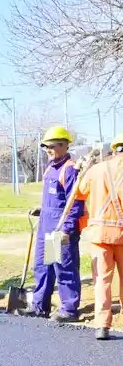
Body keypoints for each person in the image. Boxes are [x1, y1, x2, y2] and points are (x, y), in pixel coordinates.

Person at [65, 135, 123, 340]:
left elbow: (78, 193)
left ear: (115, 150)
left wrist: (83, 171)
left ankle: (102, 325)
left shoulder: (97, 170)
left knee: (102, 281)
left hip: (100, 235)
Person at [23, 125, 83, 322]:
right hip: (46, 227)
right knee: (44, 267)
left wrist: (67, 229)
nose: (48, 150)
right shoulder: (50, 169)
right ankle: (40, 306)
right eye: (46, 147)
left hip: (60, 230)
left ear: (64, 146)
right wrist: (42, 209)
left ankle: (69, 309)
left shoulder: (70, 170)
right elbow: (56, 200)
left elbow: (74, 204)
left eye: (51, 146)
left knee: (64, 268)